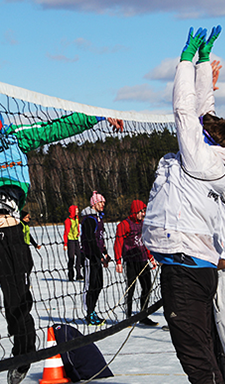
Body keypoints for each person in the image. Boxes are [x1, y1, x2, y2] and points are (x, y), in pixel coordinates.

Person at [0, 74, 123, 384]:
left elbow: (57, 127)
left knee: (17, 302)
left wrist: (97, 115)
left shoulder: (15, 137)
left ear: (0, 121)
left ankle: (24, 355)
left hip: (11, 231)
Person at [142, 26, 225, 383]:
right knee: (212, 353)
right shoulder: (215, 157)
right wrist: (204, 64)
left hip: (185, 267)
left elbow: (185, 111)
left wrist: (185, 62)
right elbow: (205, 112)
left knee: (198, 362)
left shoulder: (201, 159)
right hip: (200, 266)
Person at [114, 200, 158, 326]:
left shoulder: (144, 224)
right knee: (131, 289)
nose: (143, 214)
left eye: (144, 211)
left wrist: (151, 258)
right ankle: (128, 316)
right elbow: (118, 243)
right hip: (131, 261)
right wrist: (118, 261)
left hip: (143, 260)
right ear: (135, 211)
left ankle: (143, 315)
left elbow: (146, 242)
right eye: (140, 211)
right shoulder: (124, 225)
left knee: (147, 287)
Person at [81, 191, 111, 326]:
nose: (103, 204)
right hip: (89, 256)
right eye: (100, 202)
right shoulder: (89, 219)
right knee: (91, 285)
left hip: (97, 256)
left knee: (99, 284)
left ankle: (92, 310)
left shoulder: (98, 218)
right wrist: (99, 255)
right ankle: (89, 313)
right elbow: (91, 240)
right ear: (94, 204)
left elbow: (100, 239)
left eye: (104, 202)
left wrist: (104, 253)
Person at [63, 205, 84, 281]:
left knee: (79, 256)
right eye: (76, 210)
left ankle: (79, 274)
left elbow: (77, 227)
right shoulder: (68, 221)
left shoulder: (76, 218)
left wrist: (78, 232)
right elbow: (66, 232)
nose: (78, 211)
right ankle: (71, 275)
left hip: (76, 240)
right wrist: (65, 244)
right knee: (71, 258)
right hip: (70, 241)